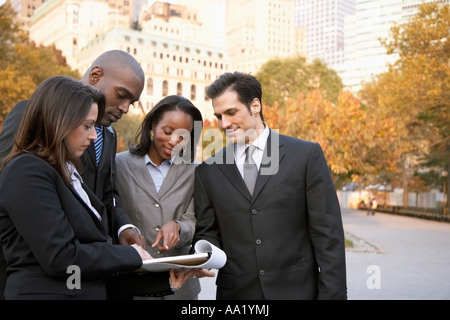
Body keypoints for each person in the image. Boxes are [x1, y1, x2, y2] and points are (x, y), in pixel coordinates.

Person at [0, 76, 195, 299]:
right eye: (87, 126)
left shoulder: (69, 175)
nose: (94, 135)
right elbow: (62, 258)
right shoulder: (27, 170)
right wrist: (131, 254)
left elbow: (91, 268)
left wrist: (168, 279)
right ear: (58, 121)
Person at [0, 50, 146, 299]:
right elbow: (13, 188)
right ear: (95, 75)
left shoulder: (108, 136)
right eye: (122, 95)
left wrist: (123, 228)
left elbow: (107, 194)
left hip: (83, 274)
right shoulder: (32, 115)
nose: (125, 108)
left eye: (131, 103)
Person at [192, 72, 347, 300]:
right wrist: (203, 253)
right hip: (237, 296)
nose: (224, 123)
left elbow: (328, 235)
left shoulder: (305, 156)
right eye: (219, 116)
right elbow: (207, 231)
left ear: (255, 105)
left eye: (231, 112)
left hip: (298, 292)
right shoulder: (208, 171)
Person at [115, 95, 212, 299]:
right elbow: (112, 210)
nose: (173, 142)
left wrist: (178, 226)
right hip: (132, 284)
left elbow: (195, 219)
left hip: (182, 288)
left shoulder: (196, 171)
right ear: (152, 125)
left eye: (182, 136)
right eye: (167, 132)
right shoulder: (119, 165)